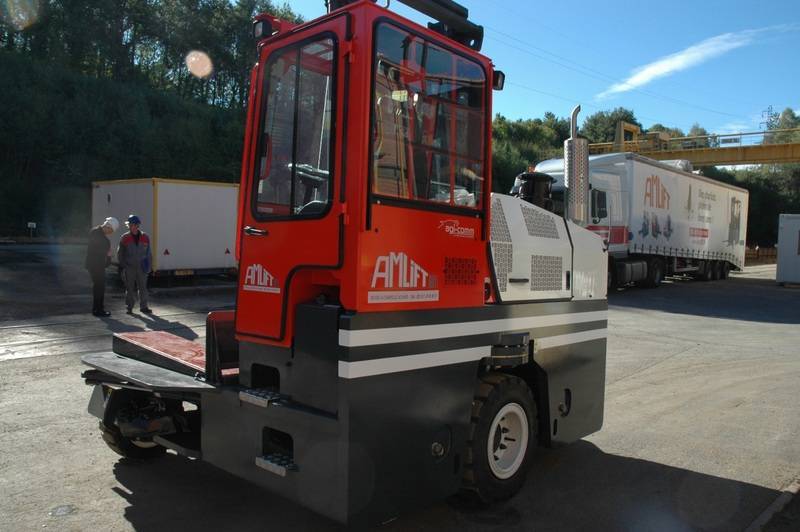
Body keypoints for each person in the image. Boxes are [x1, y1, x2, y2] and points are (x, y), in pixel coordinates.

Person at [117, 214, 153, 314]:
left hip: (142, 267)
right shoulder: (125, 237)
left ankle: (144, 307)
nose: (131, 226)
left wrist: (149, 266)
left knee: (143, 288)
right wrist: (123, 266)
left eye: (133, 224)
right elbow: (120, 253)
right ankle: (129, 307)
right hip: (129, 267)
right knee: (130, 288)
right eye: (129, 224)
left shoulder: (145, 237)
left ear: (137, 225)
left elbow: (148, 253)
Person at [85, 217, 119, 317]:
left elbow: (106, 260)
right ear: (108, 226)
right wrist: (106, 253)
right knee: (99, 287)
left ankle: (98, 309)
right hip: (94, 265)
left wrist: (108, 258)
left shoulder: (103, 237)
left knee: (100, 287)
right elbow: (93, 249)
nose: (111, 233)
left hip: (99, 265)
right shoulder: (95, 232)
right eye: (111, 230)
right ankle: (98, 310)